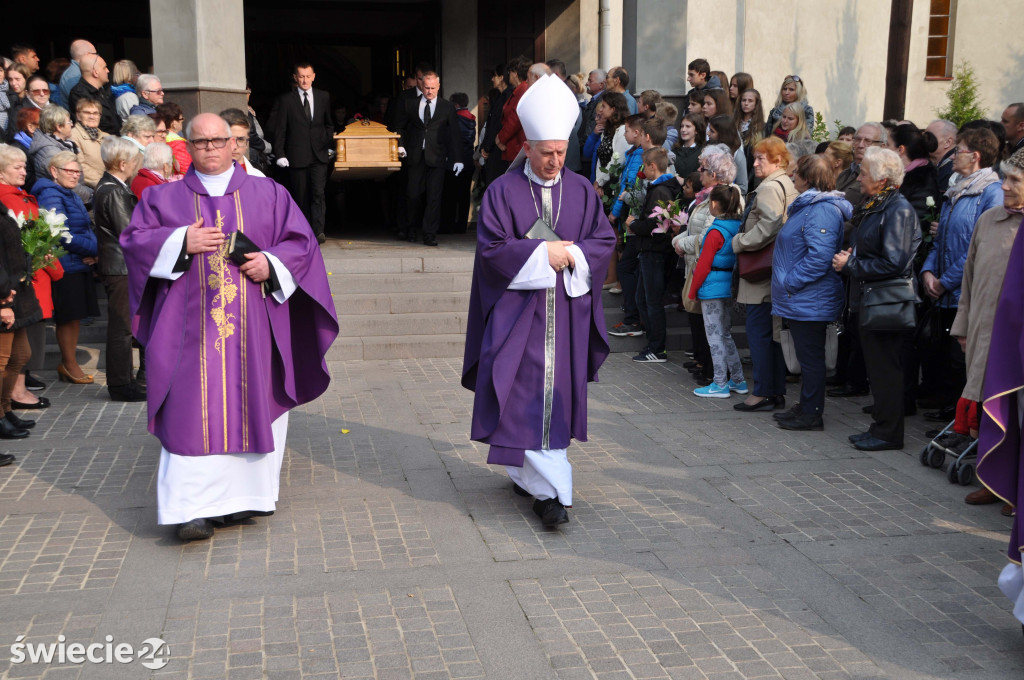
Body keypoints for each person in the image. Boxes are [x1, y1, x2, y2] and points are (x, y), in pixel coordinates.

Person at [121, 112, 337, 541]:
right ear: (189, 146)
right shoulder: (163, 200)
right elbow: (133, 242)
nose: (211, 149)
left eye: (219, 141)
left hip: (253, 330)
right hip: (188, 333)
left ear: (234, 144)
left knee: (252, 400)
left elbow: (302, 244)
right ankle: (191, 510)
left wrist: (269, 263)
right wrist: (180, 241)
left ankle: (242, 501)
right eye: (200, 142)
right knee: (188, 411)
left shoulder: (269, 193)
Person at [462, 75, 615, 528]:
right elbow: (490, 251)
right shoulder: (502, 192)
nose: (554, 162)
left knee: (554, 397)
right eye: (546, 152)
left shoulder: (583, 191)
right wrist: (538, 253)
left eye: (562, 152)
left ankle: (536, 481)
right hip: (517, 317)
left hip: (565, 316)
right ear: (525, 146)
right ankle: (550, 493)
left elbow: (602, 241)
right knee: (523, 395)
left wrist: (571, 254)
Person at [832, 147, 920, 450]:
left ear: (882, 180)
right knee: (879, 372)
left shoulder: (898, 209)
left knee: (887, 372)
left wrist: (851, 265)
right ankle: (880, 427)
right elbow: (873, 248)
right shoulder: (879, 204)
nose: (859, 177)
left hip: (887, 302)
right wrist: (853, 255)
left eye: (864, 173)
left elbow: (895, 262)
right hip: (871, 298)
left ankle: (889, 433)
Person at [950, 149, 1024, 509]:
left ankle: (1019, 492)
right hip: (983, 332)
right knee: (988, 406)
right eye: (1005, 178)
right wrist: (963, 327)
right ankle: (994, 479)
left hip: (1018, 341)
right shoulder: (990, 220)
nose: (1004, 186)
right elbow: (969, 277)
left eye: (1014, 181)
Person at [919, 128, 1003, 412]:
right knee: (943, 355)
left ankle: (961, 420)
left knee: (960, 359)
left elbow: (976, 248)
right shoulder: (956, 190)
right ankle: (947, 410)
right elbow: (940, 239)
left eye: (960, 150)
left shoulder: (990, 193)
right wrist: (928, 272)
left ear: (975, 156)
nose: (954, 155)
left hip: (964, 292)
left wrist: (945, 281)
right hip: (944, 289)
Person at [772, 155, 852, 429]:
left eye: (795, 173)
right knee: (806, 357)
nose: (792, 177)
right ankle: (806, 405)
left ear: (807, 178)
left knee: (812, 357)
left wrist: (791, 282)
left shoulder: (822, 209)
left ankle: (812, 413)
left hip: (809, 296)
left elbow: (820, 257)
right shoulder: (807, 206)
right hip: (802, 297)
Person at [732, 137, 798, 412]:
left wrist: (741, 242)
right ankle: (774, 390)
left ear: (779, 161)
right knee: (771, 334)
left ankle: (762, 391)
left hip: (762, 271)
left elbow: (770, 224)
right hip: (776, 269)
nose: (755, 163)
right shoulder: (785, 183)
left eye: (762, 158)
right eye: (755, 157)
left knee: (759, 333)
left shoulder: (770, 187)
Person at [33, 151, 99, 384]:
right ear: (54, 171)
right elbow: (60, 234)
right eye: (69, 171)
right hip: (65, 264)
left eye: (77, 172)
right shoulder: (50, 194)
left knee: (74, 317)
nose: (75, 176)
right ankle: (69, 363)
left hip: (77, 263)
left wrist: (94, 250)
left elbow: (85, 227)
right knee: (68, 317)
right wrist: (93, 249)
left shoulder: (69, 193)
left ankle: (69, 363)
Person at [673, 146, 737, 384]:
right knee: (705, 325)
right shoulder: (706, 196)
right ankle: (712, 368)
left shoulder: (721, 198)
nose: (698, 172)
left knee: (716, 329)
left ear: (715, 174)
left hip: (711, 271)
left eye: (703, 169)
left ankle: (717, 375)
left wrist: (680, 242)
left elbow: (710, 237)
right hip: (698, 264)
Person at [93, 136, 146, 402]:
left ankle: (124, 381)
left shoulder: (113, 187)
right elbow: (129, 231)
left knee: (124, 326)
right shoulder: (113, 190)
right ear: (123, 163)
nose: (138, 164)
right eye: (135, 159)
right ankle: (120, 383)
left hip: (120, 265)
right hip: (120, 266)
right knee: (122, 327)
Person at [0, 143, 50, 425]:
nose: (24, 171)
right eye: (16, 167)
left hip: (19, 284)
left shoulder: (17, 197)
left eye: (24, 166)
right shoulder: (6, 199)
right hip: (7, 290)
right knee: (5, 358)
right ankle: (3, 413)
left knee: (20, 355)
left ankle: (7, 410)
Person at [392, 71, 464, 247]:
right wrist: (400, 144)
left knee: (434, 197)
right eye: (426, 88)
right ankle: (411, 229)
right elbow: (399, 126)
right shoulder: (410, 104)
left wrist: (458, 158)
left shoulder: (447, 107)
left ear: (438, 87)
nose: (430, 91)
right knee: (413, 195)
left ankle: (429, 233)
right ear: (421, 87)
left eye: (433, 88)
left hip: (437, 157)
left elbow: (454, 134)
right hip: (415, 156)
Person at [688, 183, 747, 397]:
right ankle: (738, 380)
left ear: (713, 204)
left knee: (714, 337)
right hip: (729, 286)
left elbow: (703, 265)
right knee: (725, 334)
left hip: (712, 287)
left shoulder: (715, 231)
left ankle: (720, 383)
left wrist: (693, 290)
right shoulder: (738, 225)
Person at [268, 62, 335, 244]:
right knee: (300, 195)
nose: (305, 80)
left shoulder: (323, 96)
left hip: (319, 154)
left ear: (313, 76)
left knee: (318, 193)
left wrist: (328, 144)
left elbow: (329, 123)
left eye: (308, 76)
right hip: (296, 155)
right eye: (301, 76)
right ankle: (303, 231)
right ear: (295, 78)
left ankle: (318, 231)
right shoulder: (286, 100)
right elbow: (280, 129)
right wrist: (280, 153)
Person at [627, 147, 678, 363]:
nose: (643, 171)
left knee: (652, 301)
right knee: (642, 298)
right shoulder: (662, 188)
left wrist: (634, 224)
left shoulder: (660, 190)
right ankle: (653, 344)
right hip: (651, 251)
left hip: (655, 252)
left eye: (644, 166)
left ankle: (657, 348)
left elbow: (656, 224)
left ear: (652, 166)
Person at [29, 105, 92, 205]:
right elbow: (69, 183)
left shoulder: (62, 144)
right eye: (69, 122)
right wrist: (92, 195)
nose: (72, 125)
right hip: (62, 202)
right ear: (59, 127)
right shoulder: (50, 153)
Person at [441, 92, 475, 233]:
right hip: (468, 161)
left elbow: (452, 140)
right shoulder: (471, 118)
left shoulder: (455, 118)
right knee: (464, 195)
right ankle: (461, 226)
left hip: (454, 161)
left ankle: (448, 225)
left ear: (455, 104)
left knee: (450, 195)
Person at [68, 54, 118, 134]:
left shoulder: (101, 91)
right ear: (95, 73)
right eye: (104, 68)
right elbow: (94, 123)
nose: (108, 71)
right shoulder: (79, 93)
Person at [69, 98, 108, 188]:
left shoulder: (107, 136)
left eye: (95, 113)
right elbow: (80, 165)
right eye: (87, 113)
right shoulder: (73, 135)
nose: (92, 117)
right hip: (92, 188)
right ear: (78, 115)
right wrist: (104, 183)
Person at [708, 114, 748, 194]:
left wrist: (723, 190)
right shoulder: (709, 150)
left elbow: (743, 187)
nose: (708, 133)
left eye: (712, 131)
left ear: (723, 134)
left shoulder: (737, 156)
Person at [219, 108, 264, 177]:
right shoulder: (202, 176)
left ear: (247, 142)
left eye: (240, 139)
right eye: (228, 140)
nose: (234, 146)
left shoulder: (260, 177)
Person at [59, 40, 96, 105]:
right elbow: (85, 105)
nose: (97, 57)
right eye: (94, 54)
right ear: (87, 55)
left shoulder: (76, 72)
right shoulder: (75, 76)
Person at [925, 119, 958, 193]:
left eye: (929, 137)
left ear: (947, 142)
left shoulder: (952, 169)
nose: (924, 141)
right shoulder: (934, 165)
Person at [156, 102, 189, 175]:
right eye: (181, 119)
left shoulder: (156, 139)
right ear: (173, 124)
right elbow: (185, 169)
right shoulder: (179, 144)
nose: (182, 121)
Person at [673, 112, 705, 178]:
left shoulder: (702, 152)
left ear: (697, 130)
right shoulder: (674, 150)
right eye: (682, 126)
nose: (683, 130)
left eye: (688, 126)